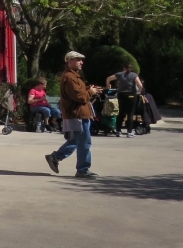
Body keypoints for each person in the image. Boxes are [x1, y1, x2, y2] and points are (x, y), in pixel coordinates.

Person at [45, 51, 101, 179]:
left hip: (79, 113)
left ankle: (55, 157)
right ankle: (82, 169)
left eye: (81, 60)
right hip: (78, 114)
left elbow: (80, 93)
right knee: (84, 142)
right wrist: (90, 92)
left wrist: (89, 90)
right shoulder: (70, 77)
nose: (81, 62)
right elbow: (79, 97)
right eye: (78, 60)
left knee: (76, 140)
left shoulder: (73, 76)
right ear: (69, 61)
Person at [105, 62, 144, 138]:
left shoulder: (120, 74)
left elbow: (108, 78)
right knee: (130, 114)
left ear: (124, 68)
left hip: (122, 95)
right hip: (132, 95)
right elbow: (140, 85)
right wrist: (139, 92)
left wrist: (108, 85)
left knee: (121, 113)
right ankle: (129, 132)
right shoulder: (134, 75)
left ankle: (118, 131)